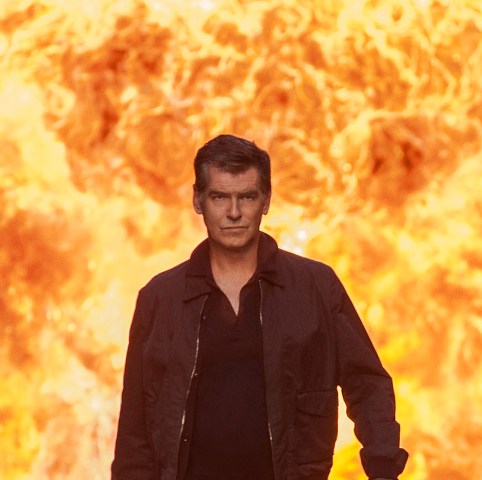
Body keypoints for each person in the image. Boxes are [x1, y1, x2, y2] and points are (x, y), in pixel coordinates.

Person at [111, 134, 408, 480]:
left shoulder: (315, 287)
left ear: (265, 201)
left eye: (247, 197)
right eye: (219, 197)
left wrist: (383, 466)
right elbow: (135, 427)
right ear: (198, 201)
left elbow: (366, 382)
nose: (234, 212)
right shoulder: (161, 298)